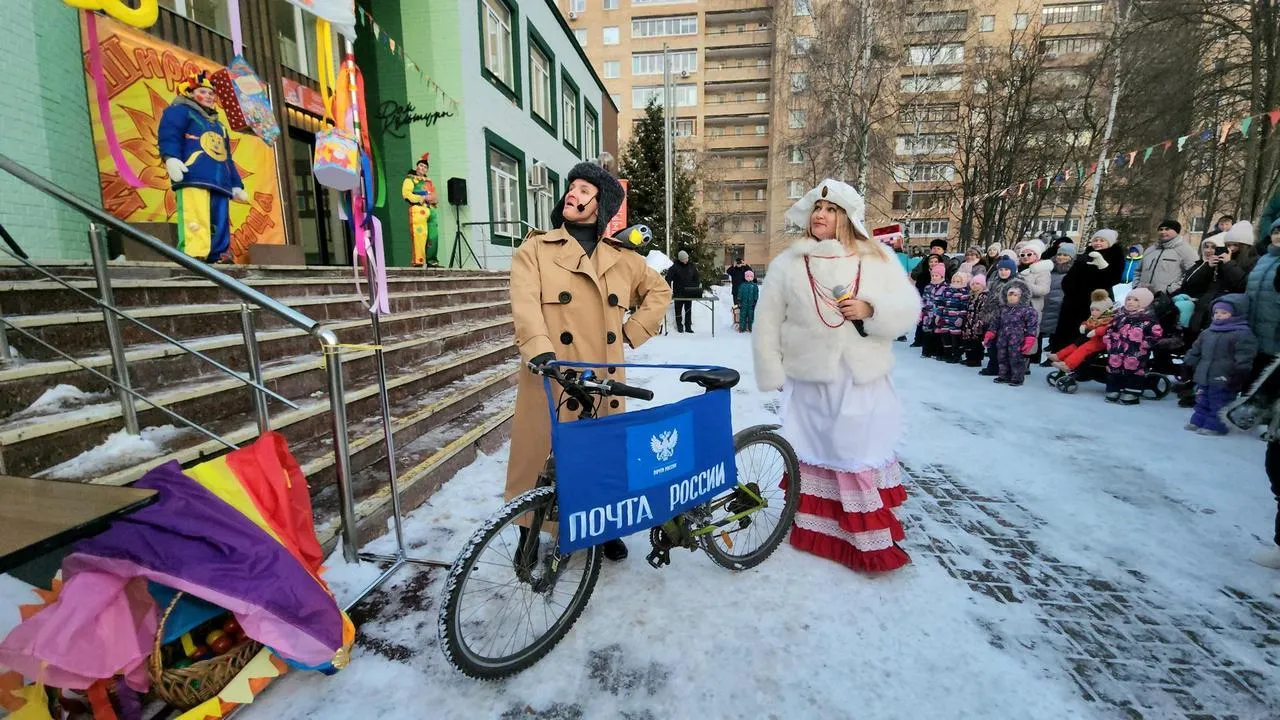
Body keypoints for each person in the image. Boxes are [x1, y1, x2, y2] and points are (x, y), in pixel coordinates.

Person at [506, 162, 672, 562]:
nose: (572, 194)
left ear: (602, 204)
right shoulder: (536, 249)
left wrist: (632, 333)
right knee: (540, 458)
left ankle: (604, 527)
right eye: (572, 187)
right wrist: (539, 348)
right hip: (552, 372)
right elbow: (524, 302)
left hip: (603, 377)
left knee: (605, 456)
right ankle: (529, 534)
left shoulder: (623, 259)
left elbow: (660, 291)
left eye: (583, 190)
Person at [753, 179, 921, 573]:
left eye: (829, 210)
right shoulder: (788, 262)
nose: (820, 215)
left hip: (860, 376)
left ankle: (862, 541)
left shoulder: (876, 256)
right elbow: (767, 322)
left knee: (853, 453)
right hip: (808, 376)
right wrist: (771, 367)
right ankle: (814, 533)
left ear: (846, 216)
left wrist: (871, 309)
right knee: (813, 451)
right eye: (816, 209)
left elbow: (908, 306)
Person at [158, 71, 248, 263]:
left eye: (211, 93)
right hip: (194, 175)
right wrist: (170, 158)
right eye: (203, 92)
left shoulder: (219, 125)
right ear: (190, 93)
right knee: (195, 215)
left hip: (220, 180)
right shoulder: (179, 111)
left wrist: (236, 184)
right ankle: (194, 254)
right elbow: (170, 134)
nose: (208, 96)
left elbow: (227, 157)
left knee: (220, 219)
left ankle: (220, 254)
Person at [1183, 294, 1257, 436]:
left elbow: (1245, 356)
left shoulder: (1242, 334)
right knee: (1202, 399)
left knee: (1220, 402)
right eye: (1216, 312)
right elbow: (1195, 350)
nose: (1218, 316)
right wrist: (1187, 364)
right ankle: (1198, 420)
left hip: (1225, 376)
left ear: (1236, 314)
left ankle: (1216, 426)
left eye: (1224, 313)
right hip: (1205, 374)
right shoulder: (1207, 332)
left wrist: (1240, 373)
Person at [1051, 229, 1125, 352]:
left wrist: (1103, 266)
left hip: (1097, 300)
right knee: (1067, 327)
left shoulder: (1115, 256)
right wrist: (1069, 288)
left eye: (1102, 240)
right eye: (1096, 240)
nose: (1098, 243)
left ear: (1110, 243)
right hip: (1074, 299)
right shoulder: (1086, 254)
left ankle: (1083, 357)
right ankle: (1061, 352)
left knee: (1089, 330)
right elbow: (1071, 275)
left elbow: (1114, 278)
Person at [1101, 287, 1163, 404]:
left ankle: (1132, 393)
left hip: (1136, 352)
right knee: (1114, 370)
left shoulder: (1147, 320)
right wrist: (1109, 340)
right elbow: (1110, 328)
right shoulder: (1120, 316)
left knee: (1135, 371)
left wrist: (1145, 344)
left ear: (1144, 303)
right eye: (1128, 299)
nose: (1130, 302)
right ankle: (1114, 389)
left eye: (1135, 300)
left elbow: (1156, 334)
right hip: (1116, 350)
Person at [983, 279, 1039, 386]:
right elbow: (995, 323)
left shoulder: (1028, 310)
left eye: (1015, 295)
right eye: (1010, 294)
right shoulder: (1002, 309)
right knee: (1002, 357)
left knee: (1015, 358)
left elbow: (1032, 326)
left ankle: (1017, 377)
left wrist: (1030, 338)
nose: (1012, 297)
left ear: (1021, 296)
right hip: (1002, 338)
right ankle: (1004, 375)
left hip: (1018, 339)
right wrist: (990, 333)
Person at [1049, 290, 1116, 372]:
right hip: (1090, 338)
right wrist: (1084, 325)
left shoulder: (1109, 319)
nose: (1094, 312)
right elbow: (1087, 322)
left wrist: (1096, 331)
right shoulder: (1093, 318)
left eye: (1097, 310)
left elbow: (1107, 329)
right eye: (1092, 310)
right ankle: (1059, 356)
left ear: (1105, 310)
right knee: (1075, 344)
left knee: (1083, 349)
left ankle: (1068, 364)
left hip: (1100, 341)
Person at [1016, 239, 1054, 364]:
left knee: (1029, 334)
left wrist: (1025, 285)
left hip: (1031, 307)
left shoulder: (1042, 270)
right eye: (1023, 255)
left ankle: (1025, 363)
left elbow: (1043, 290)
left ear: (1037, 255)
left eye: (1029, 254)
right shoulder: (1017, 269)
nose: (1025, 257)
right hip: (1015, 307)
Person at [1137, 219, 1198, 294]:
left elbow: (1193, 273)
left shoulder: (1185, 250)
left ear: (1176, 231)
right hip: (1142, 295)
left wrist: (1171, 289)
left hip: (1167, 297)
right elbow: (1138, 271)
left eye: (1167, 229)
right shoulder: (1150, 250)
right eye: (1161, 229)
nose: (1163, 232)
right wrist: (1136, 286)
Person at [1039, 242, 1075, 365]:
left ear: (1072, 257)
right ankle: (1038, 356)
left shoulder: (1073, 271)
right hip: (1048, 303)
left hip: (1062, 305)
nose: (1061, 257)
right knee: (1045, 329)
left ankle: (1056, 356)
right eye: (1060, 254)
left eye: (1066, 255)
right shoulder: (1050, 268)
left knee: (1058, 333)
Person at [402, 152, 439, 267]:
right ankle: (418, 261)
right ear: (417, 167)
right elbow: (406, 194)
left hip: (431, 210)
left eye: (425, 167)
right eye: (421, 165)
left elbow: (435, 196)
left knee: (433, 236)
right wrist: (421, 198)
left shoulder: (429, 182)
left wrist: (433, 198)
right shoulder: (410, 179)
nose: (423, 168)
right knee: (420, 235)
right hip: (418, 209)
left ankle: (432, 260)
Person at [935, 270, 971, 363]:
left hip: (955, 319)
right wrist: (938, 315)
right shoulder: (947, 290)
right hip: (945, 319)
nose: (955, 283)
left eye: (958, 281)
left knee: (955, 339)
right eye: (954, 281)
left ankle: (956, 355)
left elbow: (964, 306)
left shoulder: (964, 292)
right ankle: (947, 354)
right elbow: (941, 303)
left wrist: (960, 318)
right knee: (946, 337)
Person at [665, 250, 702, 333]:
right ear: (680, 259)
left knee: (688, 310)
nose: (686, 260)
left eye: (687, 258)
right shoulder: (674, 267)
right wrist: (668, 289)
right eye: (684, 259)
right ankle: (679, 325)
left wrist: (695, 287)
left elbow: (696, 277)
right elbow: (668, 278)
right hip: (678, 292)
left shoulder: (691, 266)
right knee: (678, 310)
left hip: (689, 292)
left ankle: (688, 326)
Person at [920, 262, 949, 359]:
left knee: (937, 333)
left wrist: (942, 313)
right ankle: (926, 351)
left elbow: (945, 302)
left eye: (936, 275)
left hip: (938, 315)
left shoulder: (945, 288)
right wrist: (922, 311)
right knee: (927, 333)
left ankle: (937, 352)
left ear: (941, 276)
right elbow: (924, 299)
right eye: (932, 275)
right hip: (928, 314)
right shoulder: (928, 287)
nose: (934, 277)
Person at [961, 274, 991, 367]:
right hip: (969, 322)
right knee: (968, 340)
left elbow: (984, 310)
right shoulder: (971, 296)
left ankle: (976, 359)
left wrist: (980, 321)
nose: (975, 286)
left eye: (978, 284)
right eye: (973, 284)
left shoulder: (984, 296)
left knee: (977, 342)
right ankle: (969, 357)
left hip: (978, 322)